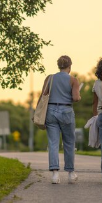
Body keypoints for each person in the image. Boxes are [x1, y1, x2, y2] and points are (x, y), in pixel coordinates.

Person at [40, 55, 81, 184]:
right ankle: (70, 173)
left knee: (53, 143)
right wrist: (78, 95)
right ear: (69, 67)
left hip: (51, 111)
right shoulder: (73, 80)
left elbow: (43, 96)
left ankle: (55, 175)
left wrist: (37, 113)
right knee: (69, 142)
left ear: (58, 66)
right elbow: (75, 98)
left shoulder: (50, 78)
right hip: (66, 111)